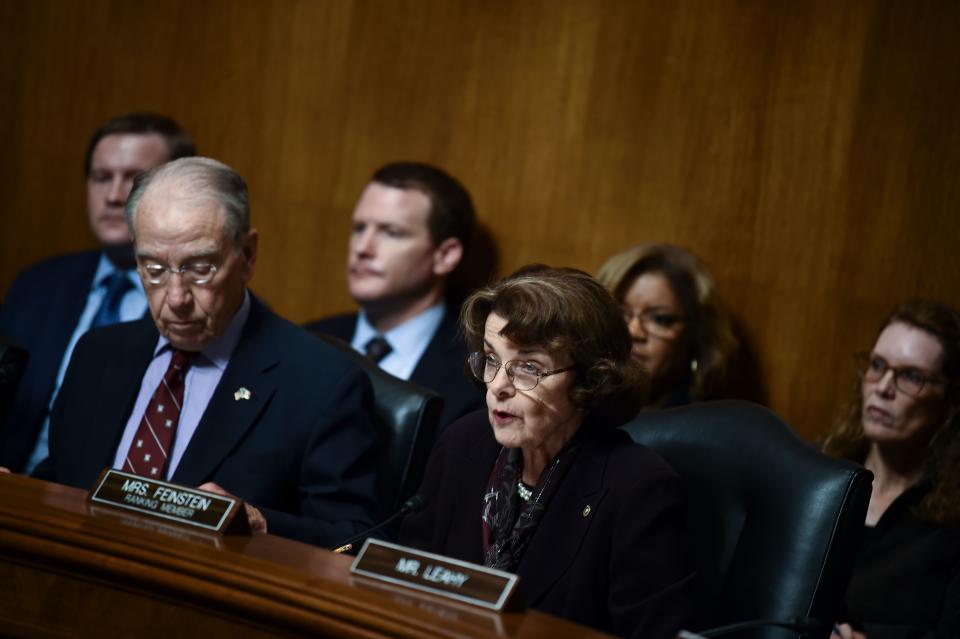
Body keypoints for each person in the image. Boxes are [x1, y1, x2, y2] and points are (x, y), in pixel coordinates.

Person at [30, 157, 380, 547]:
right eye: (154, 268)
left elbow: (351, 540)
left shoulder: (320, 383)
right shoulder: (98, 354)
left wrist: (259, 524)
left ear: (247, 255)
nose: (176, 299)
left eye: (200, 268)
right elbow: (62, 479)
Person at [399, 265, 691, 638]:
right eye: (491, 359)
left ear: (589, 378)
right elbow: (404, 584)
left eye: (528, 368)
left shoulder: (637, 490)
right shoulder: (463, 444)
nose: (498, 386)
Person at [0, 113, 196, 473]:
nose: (114, 195)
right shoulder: (37, 285)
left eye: (135, 180)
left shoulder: (202, 307)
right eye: (101, 177)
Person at [305, 162, 483, 431]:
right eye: (359, 228)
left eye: (392, 232)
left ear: (445, 256)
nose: (363, 248)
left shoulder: (478, 374)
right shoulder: (306, 342)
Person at [824, 300, 960, 639]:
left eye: (911, 376)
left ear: (949, 401)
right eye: (877, 365)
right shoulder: (819, 471)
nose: (883, 388)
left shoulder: (952, 521)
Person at [596, 243, 737, 408]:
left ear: (696, 334)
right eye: (618, 312)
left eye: (660, 319)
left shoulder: (708, 427)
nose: (633, 331)